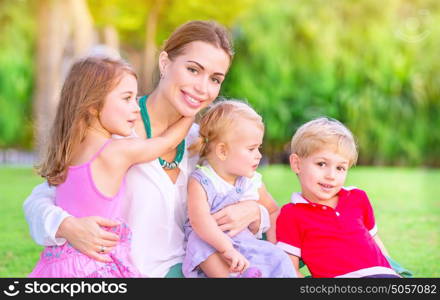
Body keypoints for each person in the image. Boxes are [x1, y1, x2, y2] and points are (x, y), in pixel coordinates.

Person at [24, 20, 274, 277]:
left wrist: (255, 211)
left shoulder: (210, 143)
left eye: (215, 79)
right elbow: (41, 199)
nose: (202, 88)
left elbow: (272, 208)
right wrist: (66, 226)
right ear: (165, 63)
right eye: (192, 70)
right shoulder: (113, 128)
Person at [28, 57, 194, 277]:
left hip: (58, 263)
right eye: (127, 99)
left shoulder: (68, 149)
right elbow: (165, 143)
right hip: (95, 265)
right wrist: (191, 112)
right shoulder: (115, 151)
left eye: (135, 98)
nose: (135, 108)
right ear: (93, 106)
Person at [182, 100, 296, 278]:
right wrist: (227, 249)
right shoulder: (202, 181)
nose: (258, 155)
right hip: (213, 246)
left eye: (258, 148)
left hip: (245, 245)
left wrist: (274, 247)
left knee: (279, 258)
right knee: (199, 241)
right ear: (223, 151)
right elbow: (200, 221)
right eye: (251, 149)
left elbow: (273, 210)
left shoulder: (251, 181)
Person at [276, 117, 400, 278]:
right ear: (297, 164)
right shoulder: (291, 214)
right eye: (321, 164)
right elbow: (289, 268)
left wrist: (393, 271)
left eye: (340, 168)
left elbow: (375, 239)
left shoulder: (357, 197)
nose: (331, 176)